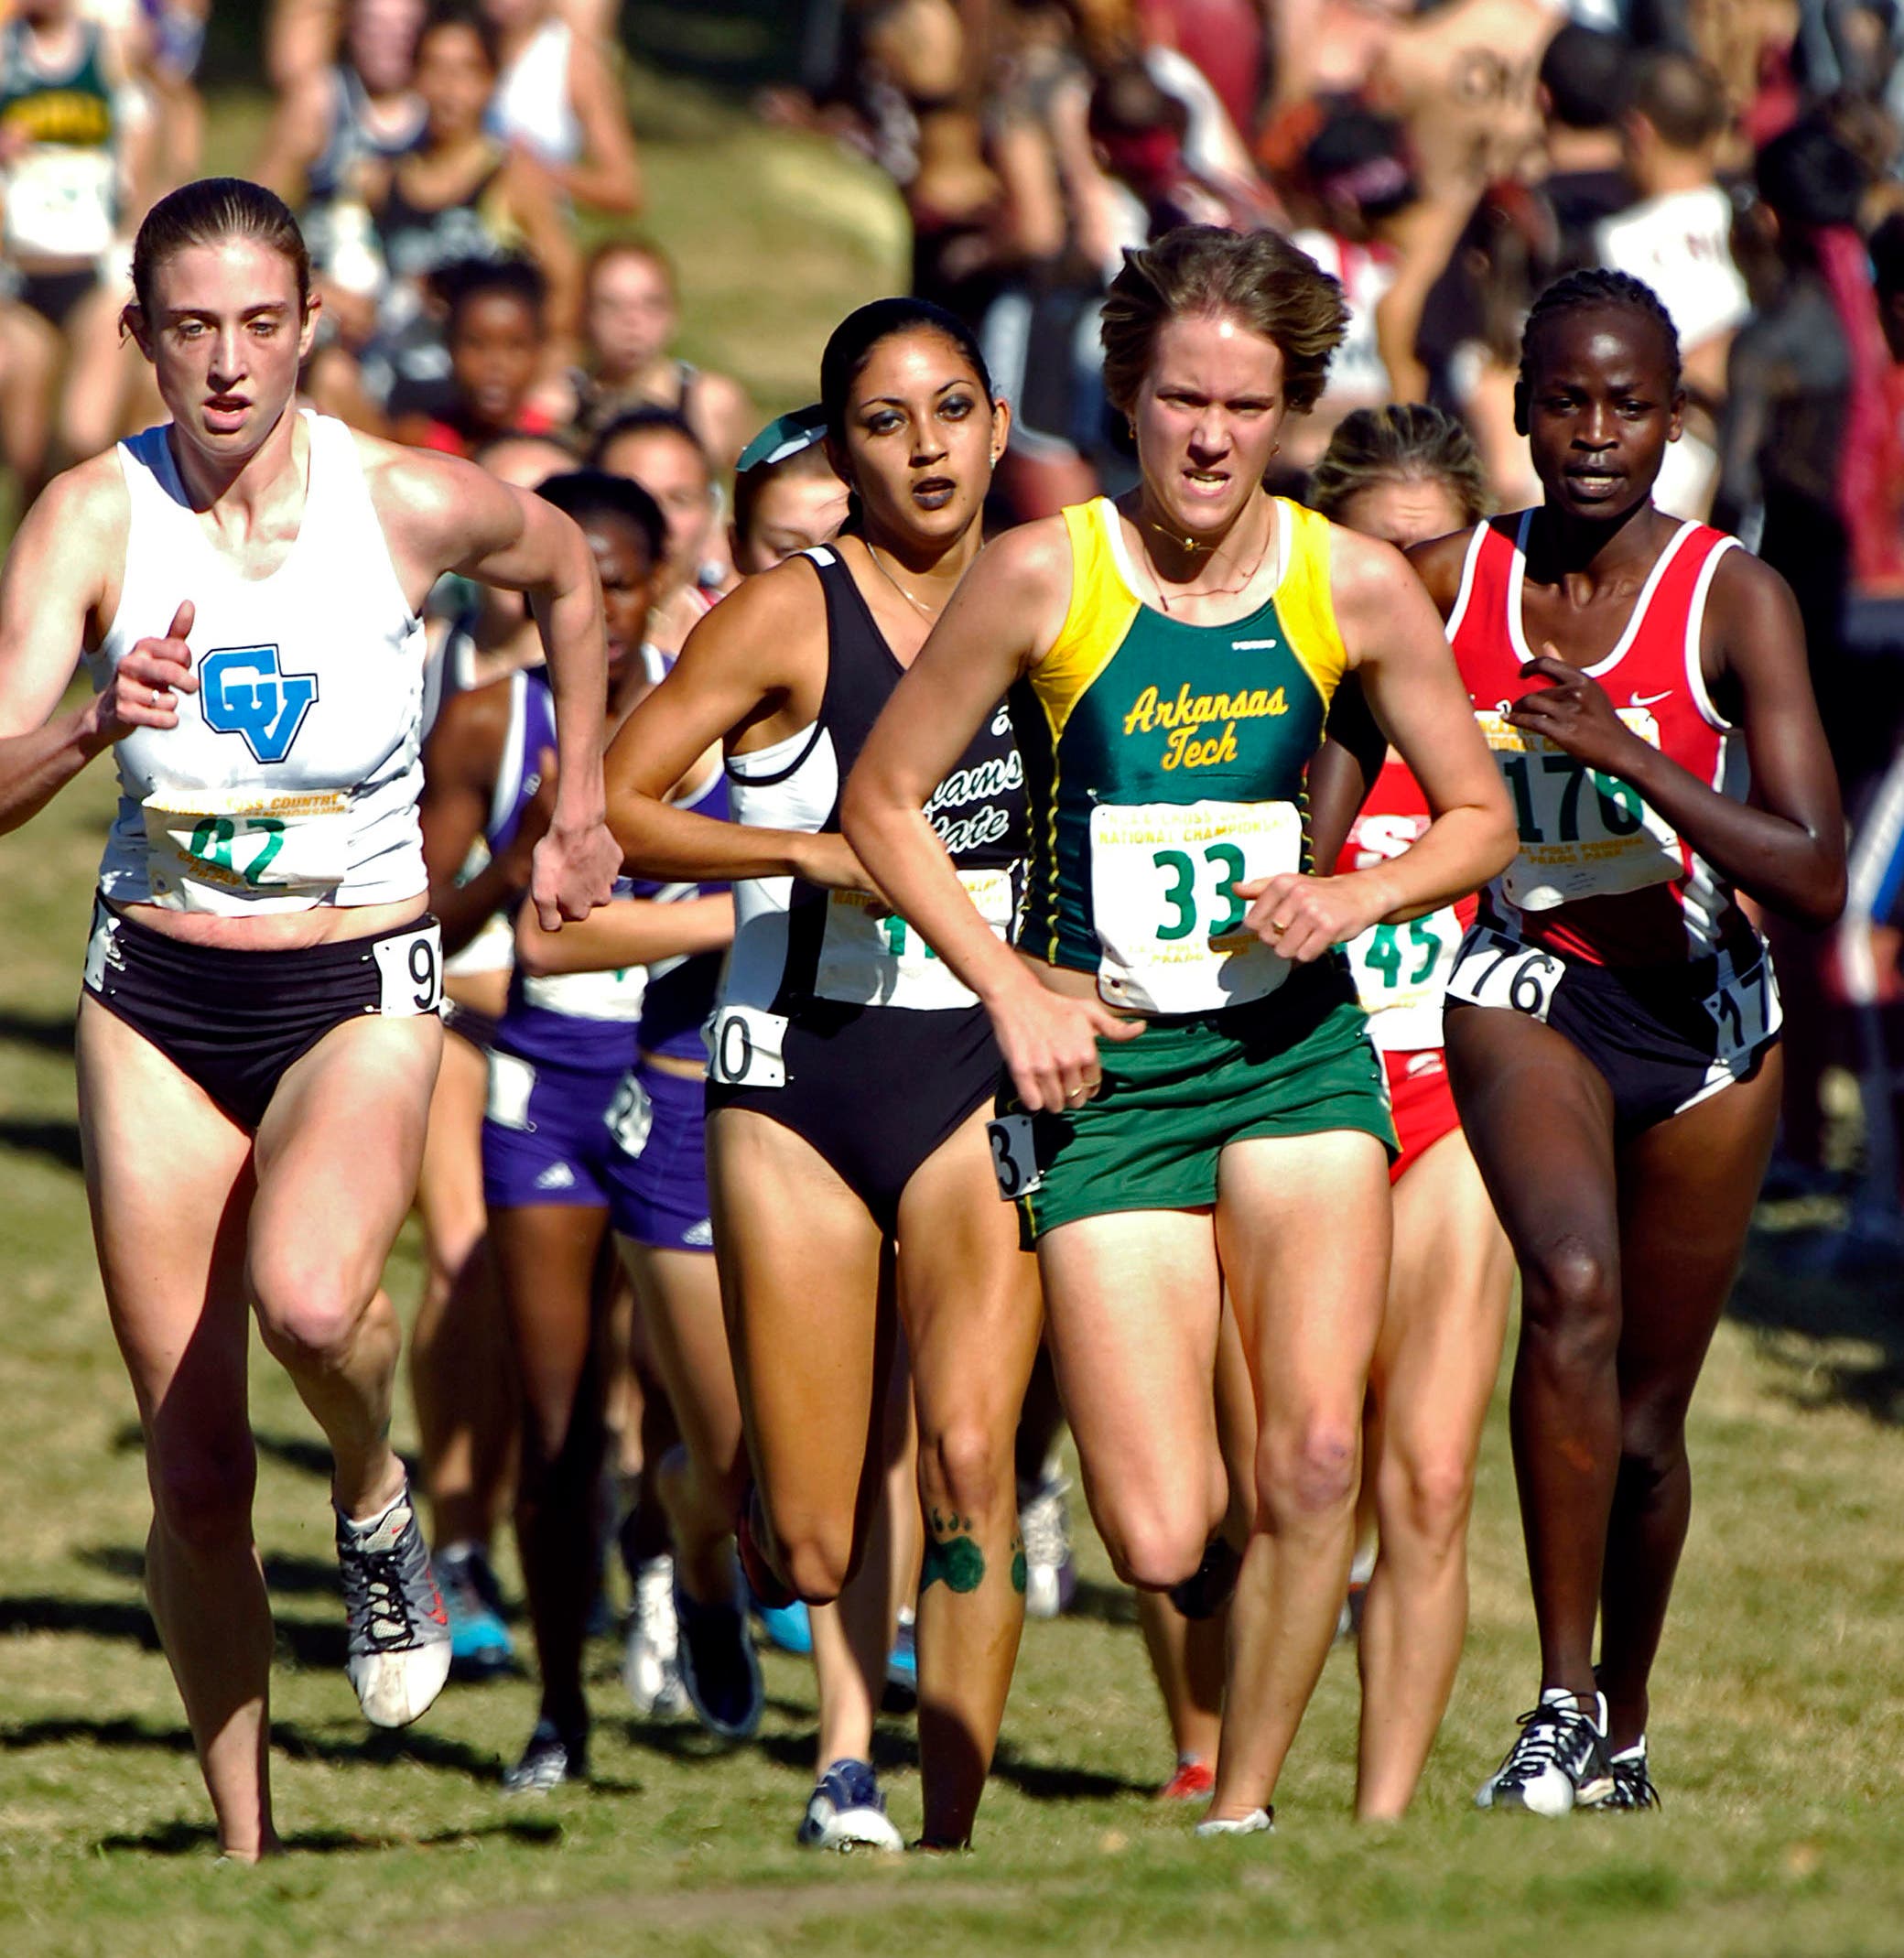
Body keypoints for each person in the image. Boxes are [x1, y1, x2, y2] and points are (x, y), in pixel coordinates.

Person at [841, 224, 1514, 1836]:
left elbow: (1481, 813)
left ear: (1291, 411)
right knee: (1159, 1528)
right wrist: (1010, 984)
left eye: (1248, 405)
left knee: (1312, 1457)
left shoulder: (1343, 578)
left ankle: (1246, 1816)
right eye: (1180, 400)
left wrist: (1352, 899)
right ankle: (1224, 1727)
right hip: (1114, 1084)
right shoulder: (1039, 574)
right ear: (1127, 396)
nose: (1212, 437)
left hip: (1293, 1059)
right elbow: (881, 803)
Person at [0, 176, 616, 1859]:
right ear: (135, 336)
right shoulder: (88, 517)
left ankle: (372, 1490)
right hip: (156, 994)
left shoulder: (405, 503)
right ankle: (249, 1851)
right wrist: (83, 723)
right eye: (188, 327)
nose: (225, 363)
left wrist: (579, 807)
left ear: (311, 328)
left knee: (313, 1289)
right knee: (192, 1473)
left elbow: (572, 572)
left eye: (259, 324)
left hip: (355, 978)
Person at [1405, 268, 1844, 1814]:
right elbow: (1348, 707)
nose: (1595, 432)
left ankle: (1626, 1724)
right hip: (1536, 983)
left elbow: (1812, 868)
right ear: (1519, 408)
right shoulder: (1458, 578)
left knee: (1648, 1425)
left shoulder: (1733, 596)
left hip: (1709, 1020)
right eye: (1567, 400)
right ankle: (1556, 1695)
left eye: (1630, 404)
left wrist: (1634, 753)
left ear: (1675, 417)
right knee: (1569, 1288)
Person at [604, 296, 1041, 1851]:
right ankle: (716, 1566)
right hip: (792, 1068)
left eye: (952, 409)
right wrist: (799, 846)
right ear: (839, 448)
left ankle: (936, 1814)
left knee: (970, 1447)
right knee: (809, 1515)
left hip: (977, 1054)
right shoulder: (790, 610)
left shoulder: (1059, 587)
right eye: (884, 419)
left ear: (999, 423)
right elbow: (617, 805)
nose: (925, 447)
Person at [430, 467, 672, 1788]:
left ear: (660, 576)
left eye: (629, 575)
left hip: (692, 1072)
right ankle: (564, 1710)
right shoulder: (486, 721)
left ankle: (685, 1552)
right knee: (556, 1406)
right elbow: (411, 919)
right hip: (547, 1084)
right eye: (583, 579)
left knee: (704, 1403)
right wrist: (514, 857)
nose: (609, 604)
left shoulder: (715, 711)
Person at [1304, 403, 1517, 1818]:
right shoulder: (1274, 680)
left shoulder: (1508, 686)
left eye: (1434, 553)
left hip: (1460, 1092)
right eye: (1374, 552)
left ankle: (1379, 1830)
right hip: (1304, 1095)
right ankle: (1220, 1759)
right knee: (1286, 1475)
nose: (1405, 583)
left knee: (1429, 1473)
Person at [571, 239, 755, 470]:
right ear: (585, 313)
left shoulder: (713, 403)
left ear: (673, 314)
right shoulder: (562, 405)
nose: (632, 322)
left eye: (651, 304)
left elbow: (750, 489)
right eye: (611, 305)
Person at [481, 0, 642, 215]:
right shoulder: (448, 44)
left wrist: (547, 176)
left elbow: (624, 189)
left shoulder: (572, 61)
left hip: (533, 236)